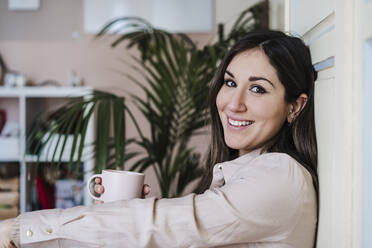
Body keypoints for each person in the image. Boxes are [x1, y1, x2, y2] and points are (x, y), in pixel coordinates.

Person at [0, 30, 318, 248]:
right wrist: (122, 211)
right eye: (230, 82)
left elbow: (165, 224)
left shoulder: (279, 176)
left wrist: (21, 229)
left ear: (296, 106)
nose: (234, 103)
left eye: (258, 88)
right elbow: (177, 231)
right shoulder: (246, 172)